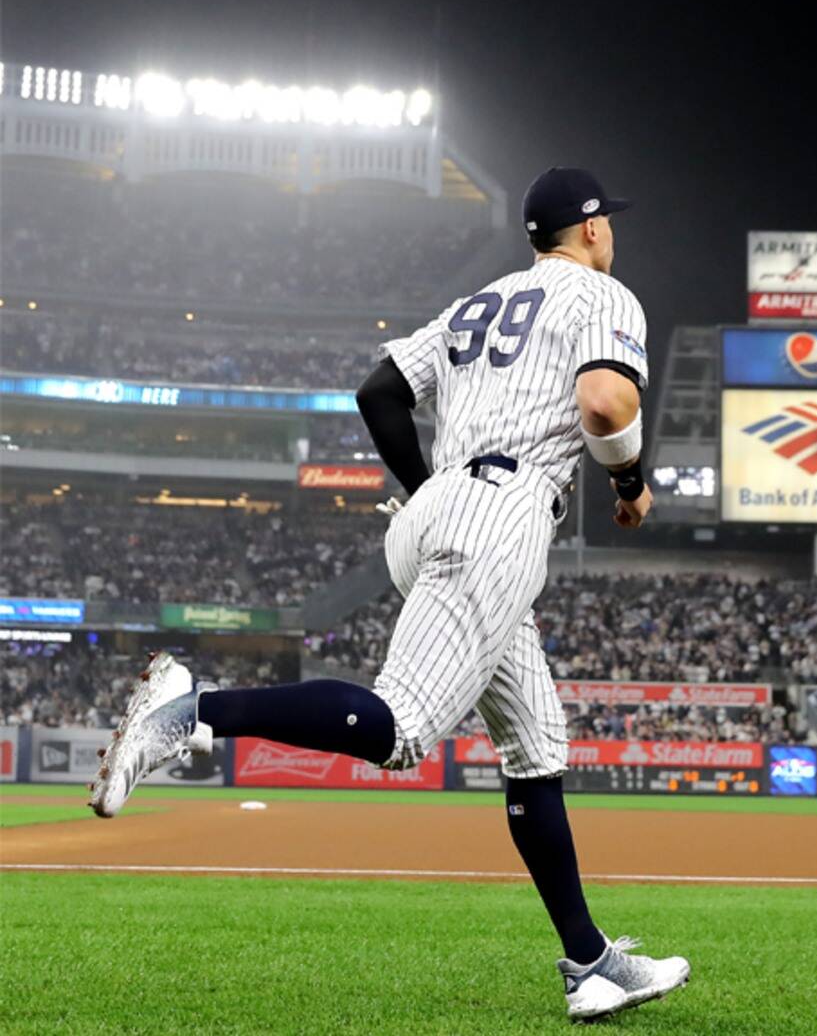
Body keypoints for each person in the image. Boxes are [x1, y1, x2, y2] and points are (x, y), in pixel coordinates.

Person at [89, 167, 690, 1021]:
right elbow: (602, 402)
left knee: (536, 749)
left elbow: (378, 392)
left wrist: (432, 493)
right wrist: (631, 483)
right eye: (609, 223)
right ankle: (192, 710)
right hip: (503, 512)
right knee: (402, 728)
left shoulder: (480, 301)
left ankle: (591, 964)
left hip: (435, 510)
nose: (612, 235)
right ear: (591, 228)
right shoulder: (604, 295)